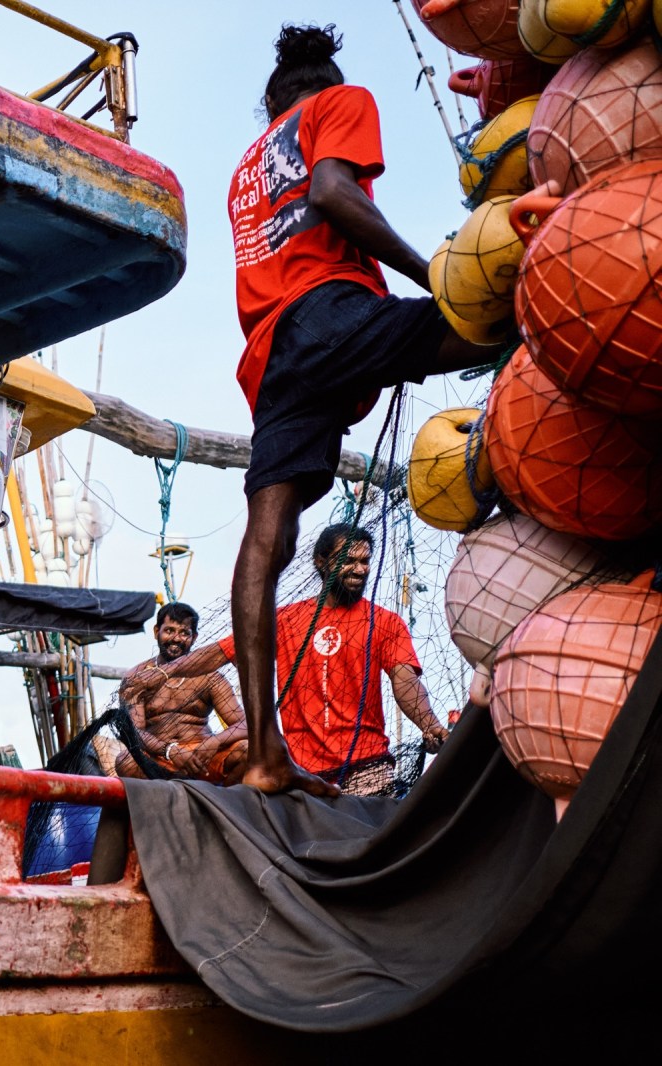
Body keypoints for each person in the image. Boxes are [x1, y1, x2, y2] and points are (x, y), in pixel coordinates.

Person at [222, 24, 502, 795]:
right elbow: (332, 194)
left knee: (267, 535)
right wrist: (433, 274)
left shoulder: (246, 169)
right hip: (330, 314)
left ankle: (261, 756)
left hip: (274, 354)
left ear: (270, 104)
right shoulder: (339, 102)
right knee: (497, 320)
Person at [127, 524, 449, 797]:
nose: (360, 569)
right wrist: (162, 672)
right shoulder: (286, 620)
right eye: (349, 560)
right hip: (299, 770)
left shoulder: (387, 622)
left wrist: (429, 724)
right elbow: (218, 653)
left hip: (368, 768)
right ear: (321, 562)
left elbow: (406, 680)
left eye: (365, 562)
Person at [100, 602, 248, 785]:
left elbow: (244, 725)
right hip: (160, 759)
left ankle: (219, 804)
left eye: (184, 632)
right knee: (126, 761)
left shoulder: (209, 676)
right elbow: (135, 731)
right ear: (156, 632)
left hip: (202, 758)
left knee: (247, 750)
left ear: (194, 638)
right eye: (169, 631)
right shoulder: (138, 677)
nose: (176, 638)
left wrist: (213, 743)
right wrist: (170, 750)